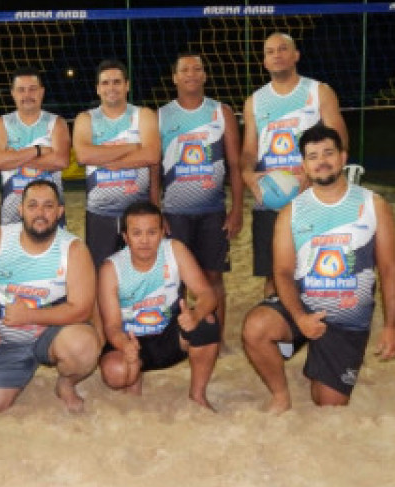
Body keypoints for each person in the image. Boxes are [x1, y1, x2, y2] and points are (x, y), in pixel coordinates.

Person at [241, 125, 395, 413]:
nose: (322, 161)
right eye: (313, 156)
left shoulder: (373, 205)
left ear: (343, 157)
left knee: (328, 402)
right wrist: (300, 318)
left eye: (328, 153)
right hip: (303, 306)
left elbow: (390, 270)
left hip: (347, 318)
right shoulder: (291, 212)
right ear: (303, 165)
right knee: (255, 328)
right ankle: (280, 395)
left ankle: (320, 353)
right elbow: (282, 272)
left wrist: (391, 326)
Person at [0, 179, 100, 413]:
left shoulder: (74, 249)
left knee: (84, 346)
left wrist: (29, 316)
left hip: (53, 335)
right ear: (21, 210)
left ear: (59, 212)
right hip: (7, 341)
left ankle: (66, 384)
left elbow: (82, 309)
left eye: (48, 206)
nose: (40, 213)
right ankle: (20, 367)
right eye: (33, 205)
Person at [240, 32, 348, 297]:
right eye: (270, 52)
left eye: (283, 49)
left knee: (315, 271)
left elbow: (340, 142)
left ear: (296, 55)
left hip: (312, 196)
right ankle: (279, 323)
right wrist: (248, 175)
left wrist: (310, 177)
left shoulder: (318, 92)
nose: (276, 55)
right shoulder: (254, 101)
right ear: (264, 62)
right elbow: (249, 151)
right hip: (271, 199)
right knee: (273, 276)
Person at [98, 201, 220, 409]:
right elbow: (111, 326)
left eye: (152, 232)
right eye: (137, 233)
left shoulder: (175, 250)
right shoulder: (111, 268)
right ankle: (135, 375)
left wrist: (196, 314)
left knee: (207, 323)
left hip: (168, 336)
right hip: (132, 339)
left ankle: (198, 394)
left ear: (163, 232)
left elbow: (207, 294)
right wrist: (124, 345)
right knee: (116, 373)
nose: (145, 240)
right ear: (126, 237)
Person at [158, 54, 243, 344]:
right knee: (176, 280)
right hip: (174, 212)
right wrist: (157, 211)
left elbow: (235, 165)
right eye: (185, 69)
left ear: (205, 75)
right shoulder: (161, 116)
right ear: (175, 77)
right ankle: (180, 338)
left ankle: (215, 339)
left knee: (213, 277)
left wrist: (237, 210)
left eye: (197, 69)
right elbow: (154, 168)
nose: (191, 74)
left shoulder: (221, 112)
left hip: (212, 210)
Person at [73, 59, 161, 268]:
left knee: (140, 270)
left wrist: (107, 159)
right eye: (105, 83)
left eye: (117, 82)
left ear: (127, 85)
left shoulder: (143, 115)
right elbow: (83, 155)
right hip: (100, 214)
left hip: (138, 211)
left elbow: (152, 155)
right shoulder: (86, 119)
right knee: (101, 273)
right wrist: (133, 147)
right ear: (97, 88)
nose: (111, 87)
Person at [0, 67, 70, 226]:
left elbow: (61, 161)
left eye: (32, 89)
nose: (27, 95)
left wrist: (13, 157)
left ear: (41, 92)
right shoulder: (1, 123)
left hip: (49, 210)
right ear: (13, 93)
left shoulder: (57, 122)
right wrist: (38, 150)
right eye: (21, 90)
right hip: (12, 211)